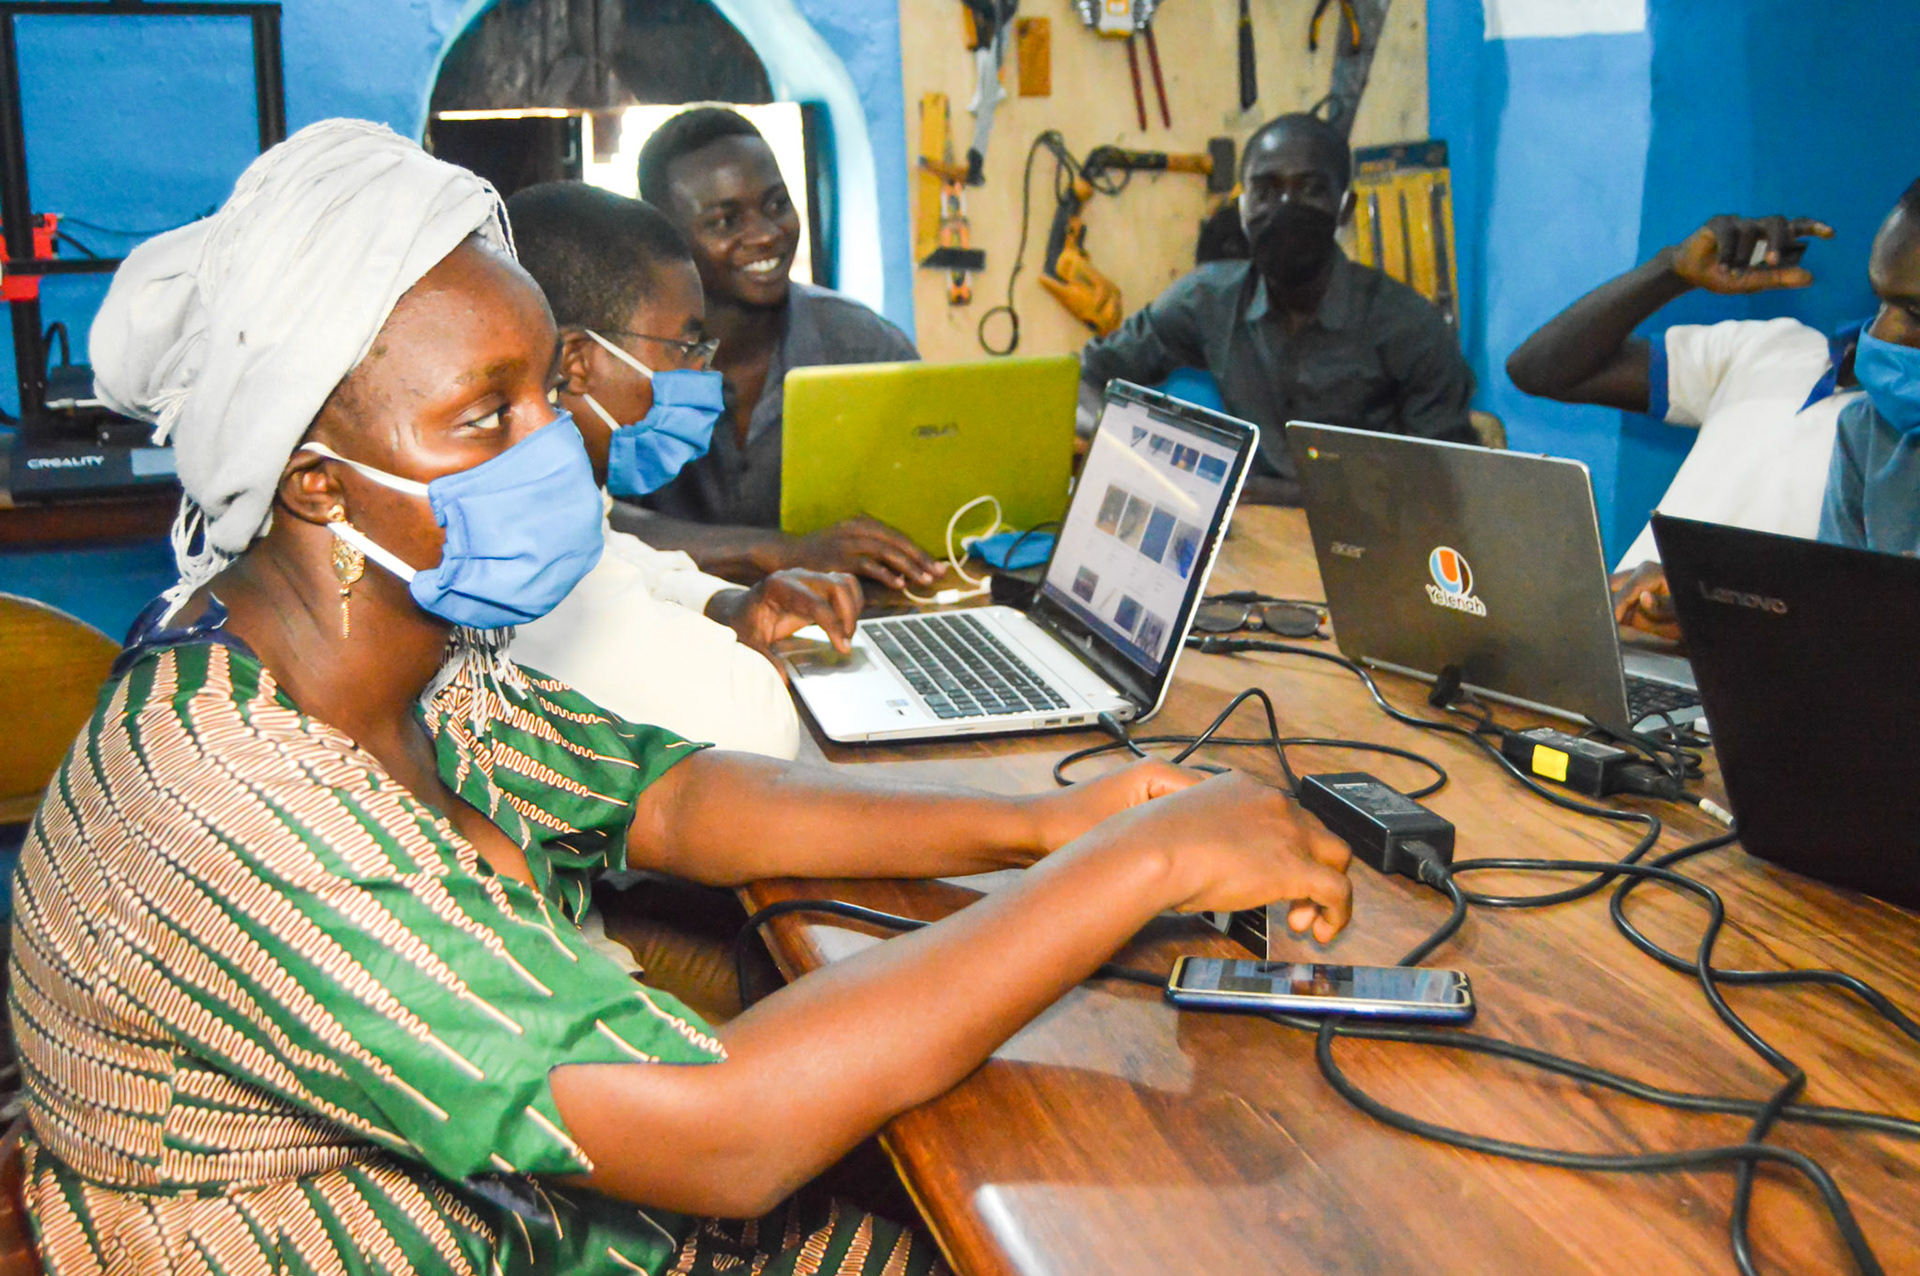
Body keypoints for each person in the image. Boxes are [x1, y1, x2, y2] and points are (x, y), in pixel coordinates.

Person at [18, 119, 1353, 1276]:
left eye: (549, 388)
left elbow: (672, 796)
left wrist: (1049, 826)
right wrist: (1140, 863)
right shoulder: (235, 803)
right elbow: (725, 1132)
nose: (553, 444)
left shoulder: (401, 667)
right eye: (484, 415)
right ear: (317, 484)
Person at [502, 180, 860, 760]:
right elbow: (756, 731)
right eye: (685, 349)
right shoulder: (523, 538)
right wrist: (727, 650)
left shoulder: (557, 487)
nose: (700, 375)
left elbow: (609, 548)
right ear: (576, 364)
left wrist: (722, 606)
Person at [615, 106, 938, 593]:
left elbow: (931, 498)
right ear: (664, 240)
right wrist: (782, 550)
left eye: (776, 205)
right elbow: (590, 524)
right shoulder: (620, 359)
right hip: (664, 624)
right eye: (725, 221)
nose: (767, 234)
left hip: (838, 619)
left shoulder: (863, 344)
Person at [1078, 112, 1475, 505]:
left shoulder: (1409, 326)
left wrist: (1287, 495)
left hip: (1369, 533)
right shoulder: (1207, 301)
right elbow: (1083, 380)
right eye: (1265, 192)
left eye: (1311, 189)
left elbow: (1446, 485)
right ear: (1242, 208)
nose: (1286, 207)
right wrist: (1142, 458)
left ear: (1345, 208)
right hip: (1254, 531)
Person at [1507, 212, 1861, 640]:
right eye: (1887, 299)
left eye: (1910, 308)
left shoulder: (1900, 438)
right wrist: (1671, 270)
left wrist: (1704, 603)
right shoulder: (1775, 348)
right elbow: (1540, 371)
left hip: (1743, 670)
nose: (1886, 326)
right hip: (1614, 647)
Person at [1819, 179, 1920, 555]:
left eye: (1915, 313)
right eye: (1881, 302)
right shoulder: (1866, 431)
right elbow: (1836, 585)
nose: (1879, 333)